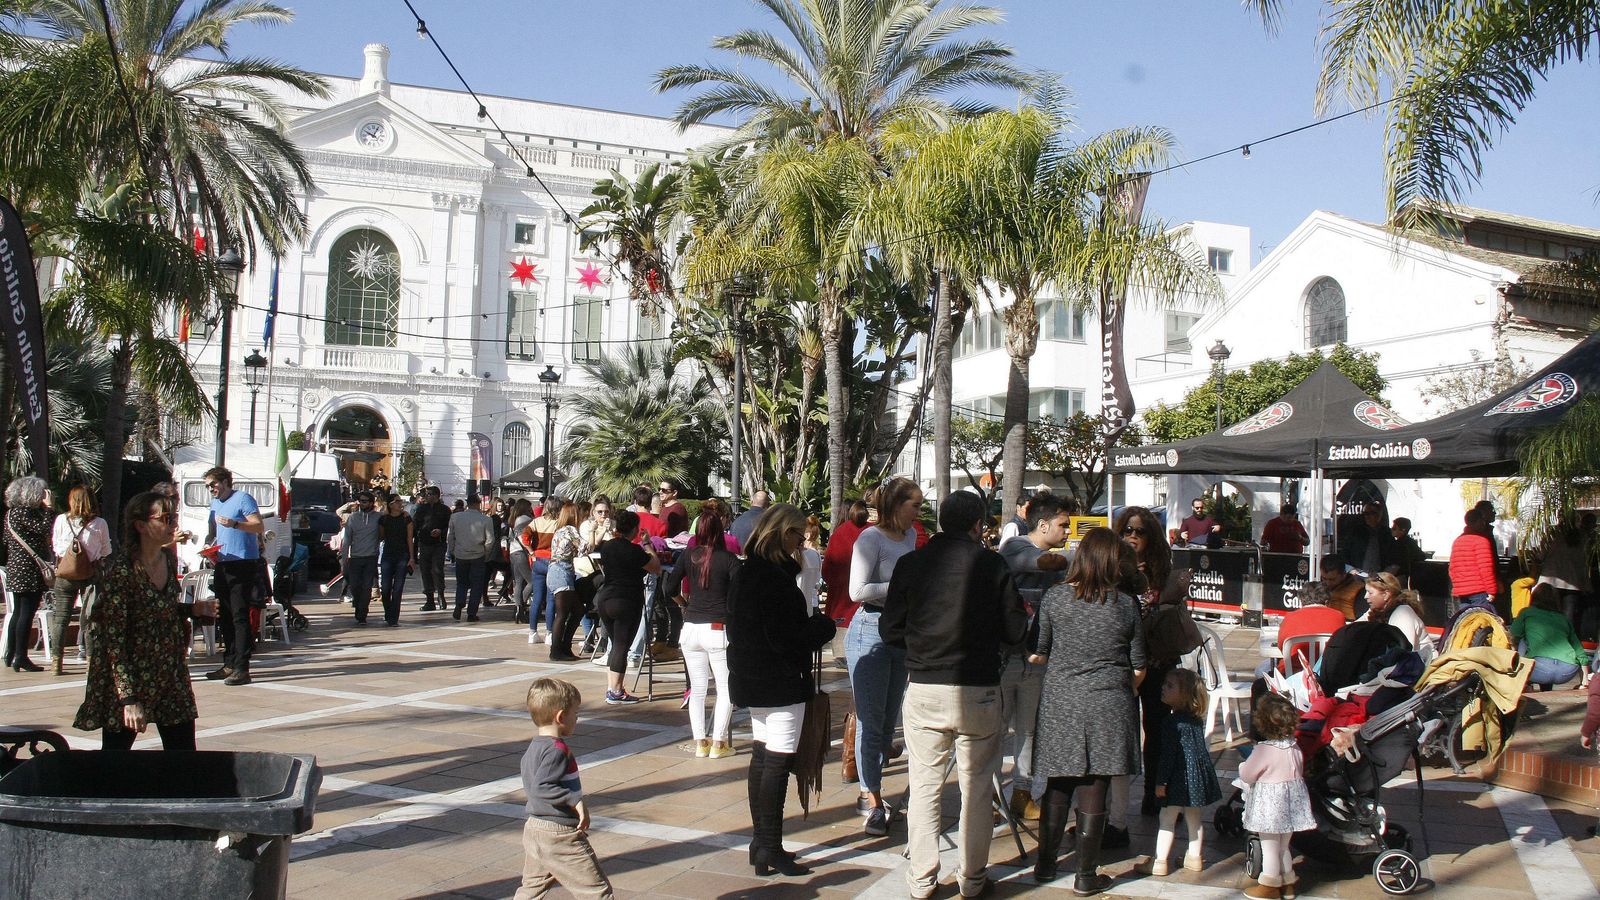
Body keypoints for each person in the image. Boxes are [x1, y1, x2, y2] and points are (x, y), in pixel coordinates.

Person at [881, 491, 1028, 899]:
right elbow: (1016, 630)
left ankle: (921, 879)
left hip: (925, 685)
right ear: (978, 525)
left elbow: (890, 629)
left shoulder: (912, 563)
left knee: (924, 786)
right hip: (978, 688)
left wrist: (920, 647)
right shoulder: (991, 564)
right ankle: (973, 878)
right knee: (977, 789)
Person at [1027, 527, 1145, 894]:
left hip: (1061, 700)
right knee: (1096, 783)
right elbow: (1139, 664)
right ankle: (1085, 874)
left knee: (1058, 781)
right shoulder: (1125, 605)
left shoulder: (1055, 598)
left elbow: (1038, 651)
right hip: (1109, 701)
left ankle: (1045, 865)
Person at [727, 503, 837, 877]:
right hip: (779, 680)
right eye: (797, 535)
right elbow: (787, 636)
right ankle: (770, 845)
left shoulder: (747, 571)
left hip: (753, 677)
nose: (801, 543)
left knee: (763, 756)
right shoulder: (773, 578)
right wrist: (822, 627)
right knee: (777, 760)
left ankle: (762, 844)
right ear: (782, 533)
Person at [73, 491, 219, 750]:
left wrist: (192, 609)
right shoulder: (122, 570)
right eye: (165, 518)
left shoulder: (168, 559)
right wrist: (128, 699)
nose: (173, 524)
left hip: (170, 671)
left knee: (184, 755)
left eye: (174, 517)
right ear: (140, 525)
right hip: (131, 674)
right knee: (115, 758)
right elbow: (113, 638)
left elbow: (158, 607)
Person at [847, 476, 922, 836]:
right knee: (871, 719)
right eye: (915, 505)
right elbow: (857, 590)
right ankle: (870, 796)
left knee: (889, 718)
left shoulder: (910, 537)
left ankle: (872, 787)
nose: (919, 512)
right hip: (869, 630)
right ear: (896, 505)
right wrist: (903, 585)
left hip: (899, 630)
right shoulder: (870, 538)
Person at [996, 493, 1072, 822]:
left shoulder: (1055, 559)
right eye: (1063, 525)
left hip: (1038, 660)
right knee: (996, 731)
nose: (1068, 531)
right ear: (1042, 525)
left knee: (1028, 731)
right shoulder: (1017, 547)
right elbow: (1044, 563)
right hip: (1005, 659)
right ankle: (990, 796)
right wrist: (1092, 556)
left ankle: (1022, 793)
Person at [515, 677, 614, 900]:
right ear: (560, 717)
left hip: (535, 828)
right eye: (575, 713)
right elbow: (542, 787)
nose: (577, 718)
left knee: (531, 888)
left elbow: (535, 786)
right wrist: (575, 800)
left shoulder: (533, 748)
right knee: (596, 891)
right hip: (558, 833)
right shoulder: (556, 750)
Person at [1113, 505, 1174, 825]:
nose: (1133, 536)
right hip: (1120, 662)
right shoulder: (1110, 567)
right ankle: (1113, 809)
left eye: (1140, 531)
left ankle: (1154, 793)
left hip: (1156, 659)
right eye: (1127, 530)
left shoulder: (1160, 570)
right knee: (1119, 733)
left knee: (1157, 730)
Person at [667, 502, 740, 758]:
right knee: (725, 688)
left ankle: (700, 742)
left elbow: (669, 587)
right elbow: (739, 594)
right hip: (717, 628)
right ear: (720, 531)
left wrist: (683, 604)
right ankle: (719, 743)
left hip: (691, 628)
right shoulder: (729, 559)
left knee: (697, 689)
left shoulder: (689, 555)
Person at [1136, 668, 1221, 877]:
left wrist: (1161, 782)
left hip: (1176, 779)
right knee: (1194, 819)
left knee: (1166, 819)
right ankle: (1194, 857)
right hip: (1194, 779)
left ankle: (1160, 861)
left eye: (1170, 686)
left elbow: (1168, 756)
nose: (1163, 688)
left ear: (1184, 695)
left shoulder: (1171, 722)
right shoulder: (1196, 721)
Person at [1239, 692, 1317, 899]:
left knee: (1270, 848)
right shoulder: (1294, 747)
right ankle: (1288, 883)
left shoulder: (1264, 750)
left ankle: (1269, 885)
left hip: (1270, 808)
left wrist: (1243, 768)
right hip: (1291, 806)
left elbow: (1247, 775)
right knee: (1283, 847)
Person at [203, 466, 264, 686]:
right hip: (223, 562)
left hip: (243, 563)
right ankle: (228, 663)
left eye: (213, 484)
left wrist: (236, 524)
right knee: (225, 615)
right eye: (207, 486)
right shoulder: (215, 504)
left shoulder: (243, 499)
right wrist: (208, 546)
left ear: (225, 482)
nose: (211, 489)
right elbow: (213, 531)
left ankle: (242, 667)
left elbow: (258, 526)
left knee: (239, 615)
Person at [594, 510, 658, 704]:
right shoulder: (634, 551)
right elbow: (655, 567)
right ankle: (615, 691)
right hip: (626, 599)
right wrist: (647, 544)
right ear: (634, 529)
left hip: (606, 597)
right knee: (622, 646)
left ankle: (613, 687)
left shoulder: (607, 547)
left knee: (616, 645)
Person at [50, 486, 112, 675]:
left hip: (65, 574)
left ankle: (56, 663)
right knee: (90, 619)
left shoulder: (61, 520)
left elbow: (56, 546)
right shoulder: (99, 523)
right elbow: (106, 550)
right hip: (90, 575)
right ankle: (91, 662)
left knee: (61, 619)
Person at [3, 476, 55, 672]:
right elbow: (44, 529)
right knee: (26, 612)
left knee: (18, 611)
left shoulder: (10, 513)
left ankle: (11, 653)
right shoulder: (25, 513)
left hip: (16, 567)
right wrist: (49, 509)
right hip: (29, 568)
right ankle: (21, 657)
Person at [1511, 583, 1590, 691]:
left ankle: (1524, 683)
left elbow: (1513, 635)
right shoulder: (1563, 618)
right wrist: (1584, 680)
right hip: (1567, 671)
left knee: (1523, 640)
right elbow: (1578, 648)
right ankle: (1544, 687)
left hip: (1538, 670)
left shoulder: (1527, 612)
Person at [1357, 573, 1436, 662]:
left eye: (1370, 593)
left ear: (1386, 594)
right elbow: (1355, 628)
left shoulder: (1402, 614)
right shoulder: (1376, 611)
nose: (1365, 596)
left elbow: (1404, 651)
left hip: (1423, 665)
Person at [1536, 518, 1592, 638]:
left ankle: (1549, 638)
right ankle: (1565, 639)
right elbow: (1587, 560)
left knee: (1549, 612)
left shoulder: (1552, 535)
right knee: (1568, 616)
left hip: (1551, 581)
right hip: (1574, 582)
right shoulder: (1583, 537)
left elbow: (1540, 555)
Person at [447, 494, 496, 622]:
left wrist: (452, 550)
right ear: (478, 503)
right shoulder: (486, 519)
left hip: (461, 554)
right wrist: (486, 553)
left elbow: (451, 536)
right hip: (478, 554)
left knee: (461, 582)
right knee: (477, 585)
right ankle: (472, 613)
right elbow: (490, 540)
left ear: (467, 503)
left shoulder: (455, 517)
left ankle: (459, 603)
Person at [821, 499, 869, 628]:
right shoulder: (875, 532)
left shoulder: (839, 533)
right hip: (868, 610)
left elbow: (826, 572)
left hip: (841, 609)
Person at [547, 503, 584, 661]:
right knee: (562, 614)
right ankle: (556, 650)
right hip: (561, 571)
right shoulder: (570, 530)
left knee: (577, 610)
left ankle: (565, 646)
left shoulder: (560, 530)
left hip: (557, 571)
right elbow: (584, 548)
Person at [341, 491, 383, 626]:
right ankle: (358, 604)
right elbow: (347, 539)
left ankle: (362, 613)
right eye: (360, 501)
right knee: (354, 586)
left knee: (366, 586)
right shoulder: (353, 518)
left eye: (364, 501)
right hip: (355, 558)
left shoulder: (379, 517)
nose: (362, 503)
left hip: (371, 557)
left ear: (371, 503)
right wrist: (344, 558)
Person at [1449, 508, 1498, 613]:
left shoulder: (1458, 541)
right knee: (1489, 620)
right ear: (1479, 521)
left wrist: (1458, 585)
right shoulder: (1481, 541)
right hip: (1479, 590)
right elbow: (1485, 569)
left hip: (1462, 591)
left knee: (1467, 620)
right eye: (1482, 521)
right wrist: (1492, 590)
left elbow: (1452, 568)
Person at [413, 486, 453, 611]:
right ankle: (429, 599)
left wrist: (441, 531)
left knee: (437, 570)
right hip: (425, 543)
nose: (427, 496)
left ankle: (440, 595)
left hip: (439, 544)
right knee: (425, 571)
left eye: (429, 494)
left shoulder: (445, 509)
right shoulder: (421, 509)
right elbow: (416, 525)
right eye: (426, 494)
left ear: (436, 495)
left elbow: (450, 526)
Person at [529, 497, 563, 638]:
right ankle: (549, 633)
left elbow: (523, 536)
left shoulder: (536, 522)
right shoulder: (559, 524)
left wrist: (531, 552)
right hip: (552, 560)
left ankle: (532, 632)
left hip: (537, 560)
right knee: (551, 600)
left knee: (537, 598)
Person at [376, 496, 413, 627]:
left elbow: (410, 538)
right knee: (385, 587)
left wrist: (412, 558)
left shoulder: (406, 518)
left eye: (400, 501)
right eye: (397, 501)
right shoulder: (384, 519)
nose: (400, 503)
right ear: (390, 505)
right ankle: (388, 612)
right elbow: (381, 536)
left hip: (402, 555)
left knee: (398, 588)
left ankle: (394, 618)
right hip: (387, 555)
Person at [1304, 554, 1364, 622]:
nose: (1327, 583)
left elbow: (1361, 621)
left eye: (1332, 579)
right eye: (1324, 578)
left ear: (1344, 575)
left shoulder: (1358, 590)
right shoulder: (1318, 588)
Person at [507, 498, 535, 628]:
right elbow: (526, 537)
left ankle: (518, 609)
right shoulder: (526, 519)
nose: (531, 509)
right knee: (532, 581)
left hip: (513, 552)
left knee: (518, 582)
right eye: (529, 507)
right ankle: (521, 606)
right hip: (521, 552)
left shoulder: (513, 519)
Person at [1390, 517, 1426, 587]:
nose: (1391, 529)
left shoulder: (1398, 544)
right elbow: (1422, 556)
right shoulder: (1411, 542)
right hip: (1410, 576)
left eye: (1394, 528)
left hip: (1400, 577)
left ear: (1403, 530)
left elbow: (1397, 563)